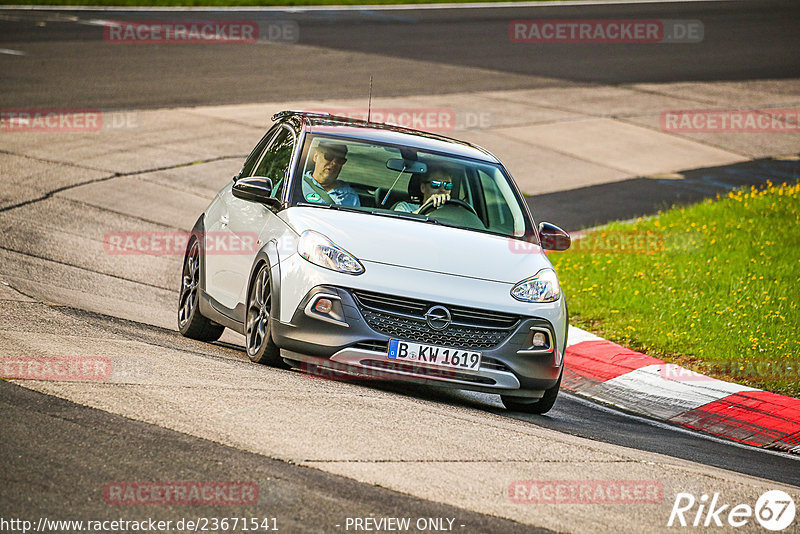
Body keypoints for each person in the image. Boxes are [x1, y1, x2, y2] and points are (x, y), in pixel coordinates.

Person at [301, 141, 360, 206]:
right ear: (315, 156)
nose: (334, 163)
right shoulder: (298, 184)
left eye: (340, 160)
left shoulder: (350, 195)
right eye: (329, 157)